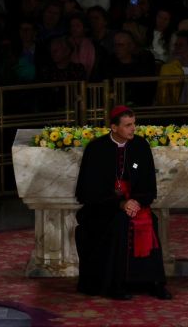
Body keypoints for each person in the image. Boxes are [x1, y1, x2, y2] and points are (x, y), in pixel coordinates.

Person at [75, 105, 171, 301]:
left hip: (135, 204)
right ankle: (115, 284)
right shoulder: (96, 148)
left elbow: (148, 183)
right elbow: (88, 189)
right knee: (119, 223)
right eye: (128, 125)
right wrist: (119, 203)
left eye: (134, 124)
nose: (133, 129)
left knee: (150, 221)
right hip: (103, 207)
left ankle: (154, 282)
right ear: (114, 127)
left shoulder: (141, 146)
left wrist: (136, 201)